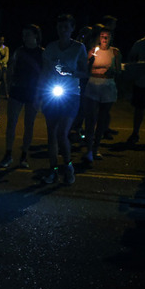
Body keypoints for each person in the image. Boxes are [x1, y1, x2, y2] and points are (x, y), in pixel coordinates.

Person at [40, 14, 87, 185]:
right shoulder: (51, 48)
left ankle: (68, 166)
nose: (63, 31)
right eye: (60, 27)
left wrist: (71, 72)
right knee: (51, 134)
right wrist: (39, 94)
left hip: (71, 94)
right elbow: (45, 71)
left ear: (72, 28)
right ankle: (53, 170)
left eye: (66, 27)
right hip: (52, 93)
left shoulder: (79, 48)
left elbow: (85, 72)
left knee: (62, 133)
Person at [0, 24, 44, 169]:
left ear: (35, 36)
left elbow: (43, 75)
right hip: (17, 89)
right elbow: (11, 68)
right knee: (11, 123)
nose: (24, 38)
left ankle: (24, 155)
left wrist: (39, 95)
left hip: (32, 92)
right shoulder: (19, 51)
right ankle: (8, 154)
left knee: (29, 124)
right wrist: (9, 85)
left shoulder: (41, 53)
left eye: (28, 35)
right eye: (24, 35)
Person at [82, 27, 121, 163]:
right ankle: (88, 149)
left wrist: (113, 73)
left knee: (102, 119)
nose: (104, 39)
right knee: (91, 118)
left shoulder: (115, 52)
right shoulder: (93, 51)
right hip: (93, 85)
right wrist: (90, 61)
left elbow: (118, 71)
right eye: (102, 36)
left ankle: (95, 148)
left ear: (111, 38)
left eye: (107, 36)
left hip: (107, 86)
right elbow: (85, 68)